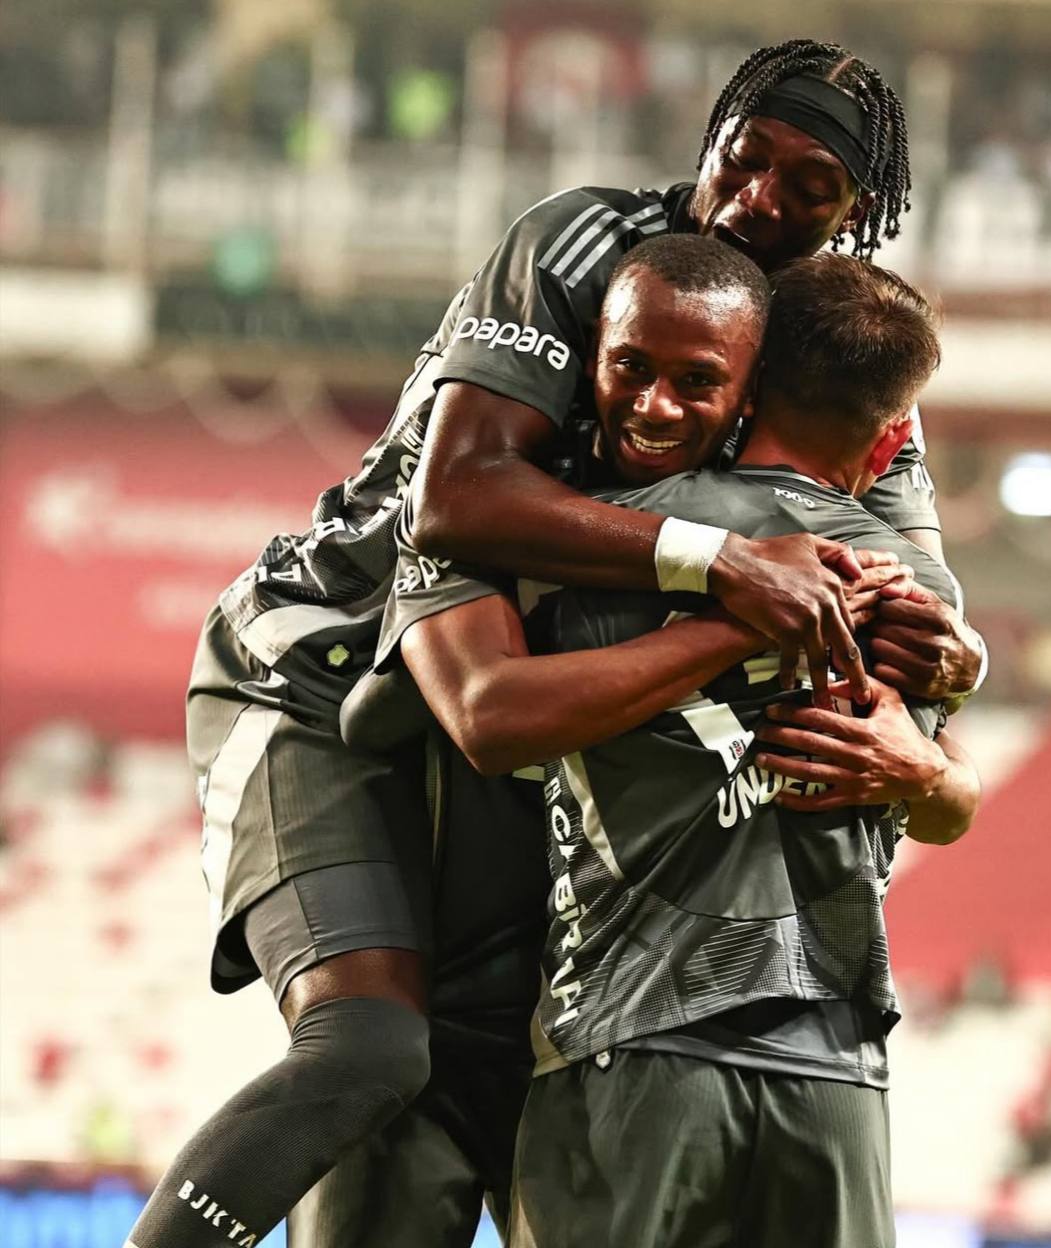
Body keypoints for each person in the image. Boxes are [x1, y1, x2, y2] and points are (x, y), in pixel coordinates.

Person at [127, 38, 982, 1248]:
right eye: (746, 159)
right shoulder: (582, 247)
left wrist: (950, 688)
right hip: (328, 665)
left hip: (510, 733)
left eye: (809, 187)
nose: (758, 201)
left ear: (853, 216)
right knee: (370, 1049)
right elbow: (456, 501)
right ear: (709, 136)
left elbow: (923, 606)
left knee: (465, 1085)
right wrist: (723, 569)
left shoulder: (819, 349)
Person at [364, 237, 980, 1248]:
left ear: (747, 389)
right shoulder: (917, 596)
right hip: (833, 1068)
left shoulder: (581, 538)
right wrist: (934, 764)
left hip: (630, 1038)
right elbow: (939, 799)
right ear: (884, 452)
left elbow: (482, 710)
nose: (656, 407)